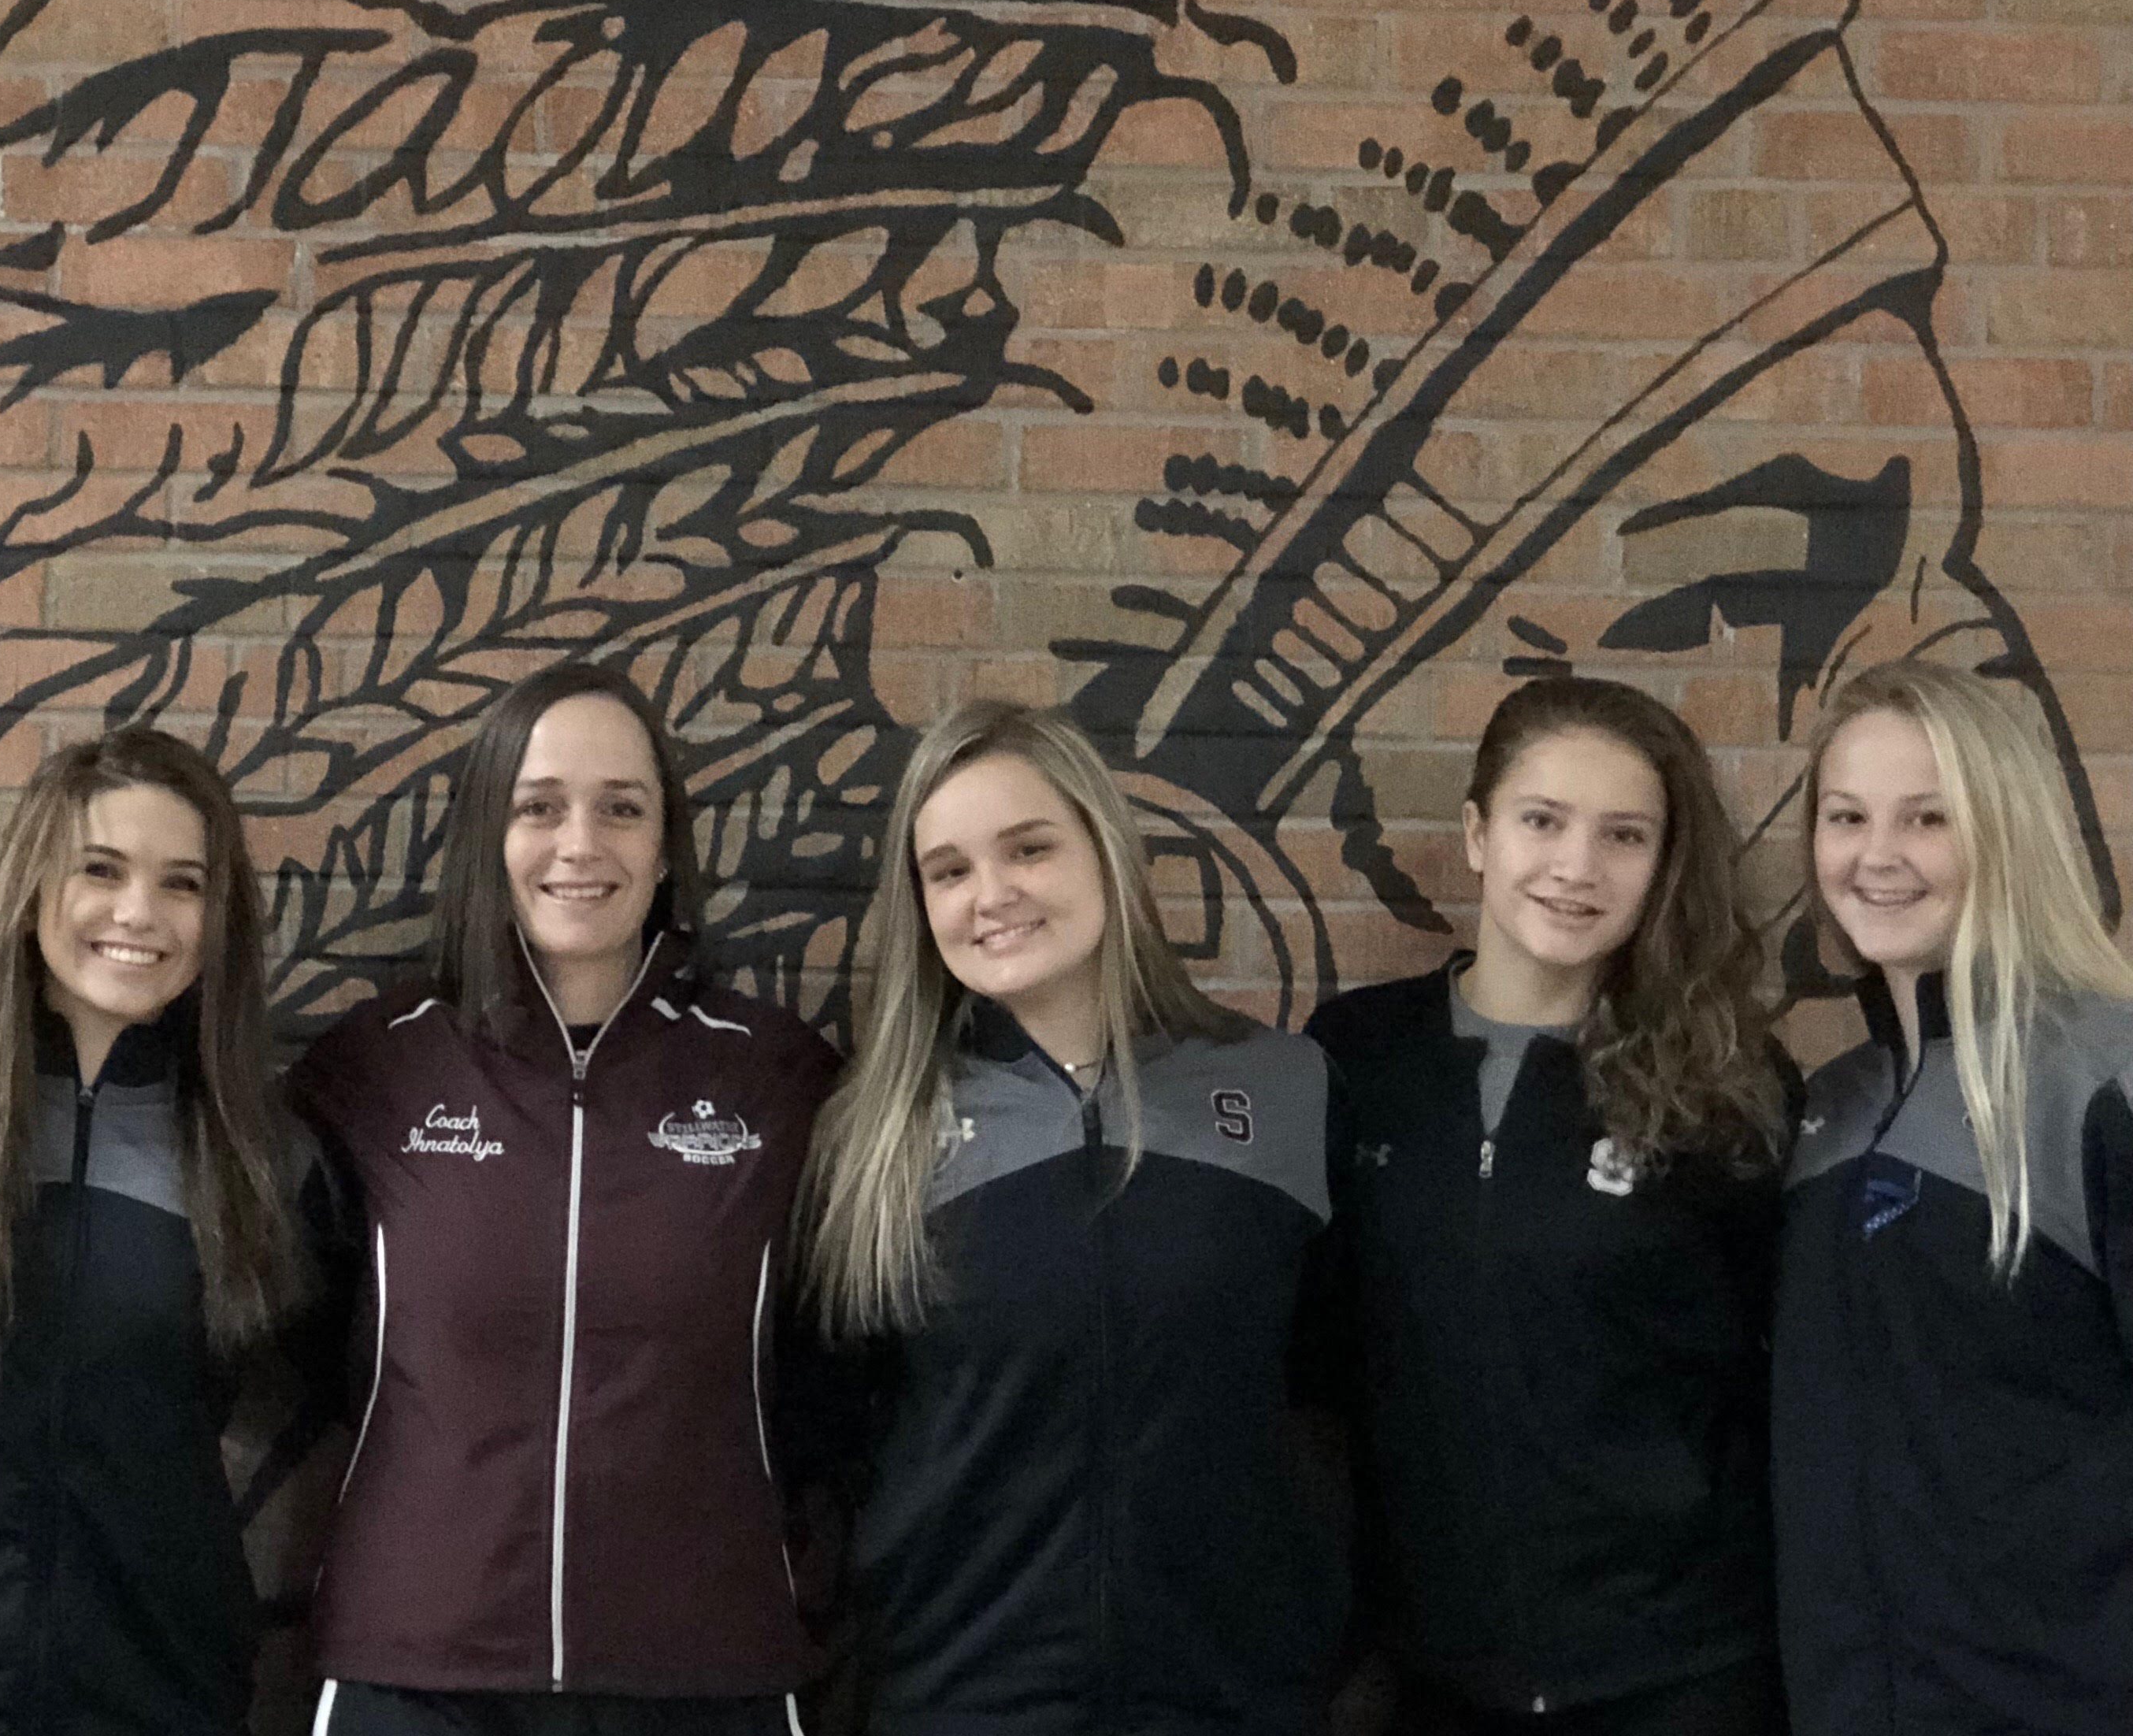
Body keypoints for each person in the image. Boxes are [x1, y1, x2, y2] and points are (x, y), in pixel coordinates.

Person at [284, 660, 838, 1735]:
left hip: (703, 1672)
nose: (580, 845)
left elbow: (838, 1362)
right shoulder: (374, 1069)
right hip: (418, 1669)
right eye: (539, 808)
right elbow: (300, 1333)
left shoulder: (777, 1078)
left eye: (621, 809)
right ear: (490, 832)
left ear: (667, 844)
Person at [794, 700, 1338, 1733]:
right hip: (960, 1699)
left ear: (1105, 848)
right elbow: (830, 1430)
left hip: (1237, 1698)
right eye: (949, 871)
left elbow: (1338, 1388)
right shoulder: (869, 1135)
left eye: (1029, 848)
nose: (991, 895)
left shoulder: (1285, 1087)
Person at [1307, 676, 1791, 1736]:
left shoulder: (1729, 1082)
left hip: (1679, 1675)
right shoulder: (1354, 1059)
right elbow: (1319, 1366)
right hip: (1431, 1677)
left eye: (1624, 835)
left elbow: (1782, 1375)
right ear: (1478, 834)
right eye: (1542, 821)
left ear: (1663, 864)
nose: (1577, 867)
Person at [0, 727, 308, 1734]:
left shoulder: (265, 1157)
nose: (139, 913)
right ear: (32, 885)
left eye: (183, 884)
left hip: (162, 1697)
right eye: (101, 869)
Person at [1773, 658, 2133, 1734]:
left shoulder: (2102, 1076)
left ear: (2004, 830)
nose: (1876, 856)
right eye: (1847, 817)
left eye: (1927, 818)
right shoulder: (1828, 1111)